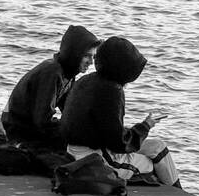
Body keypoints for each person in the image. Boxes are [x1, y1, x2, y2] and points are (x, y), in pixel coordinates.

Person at [60, 36, 181, 187]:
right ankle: (179, 194)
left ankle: (179, 191)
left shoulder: (87, 80)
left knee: (157, 146)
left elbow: (106, 130)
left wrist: (142, 127)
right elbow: (118, 143)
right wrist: (145, 126)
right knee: (149, 164)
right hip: (93, 158)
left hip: (79, 150)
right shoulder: (111, 90)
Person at [1, 24, 101, 172]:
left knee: (80, 138)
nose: (91, 62)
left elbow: (69, 111)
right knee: (74, 148)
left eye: (93, 57)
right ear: (73, 53)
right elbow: (42, 121)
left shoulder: (67, 74)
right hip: (20, 129)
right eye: (86, 56)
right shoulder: (53, 73)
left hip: (29, 126)